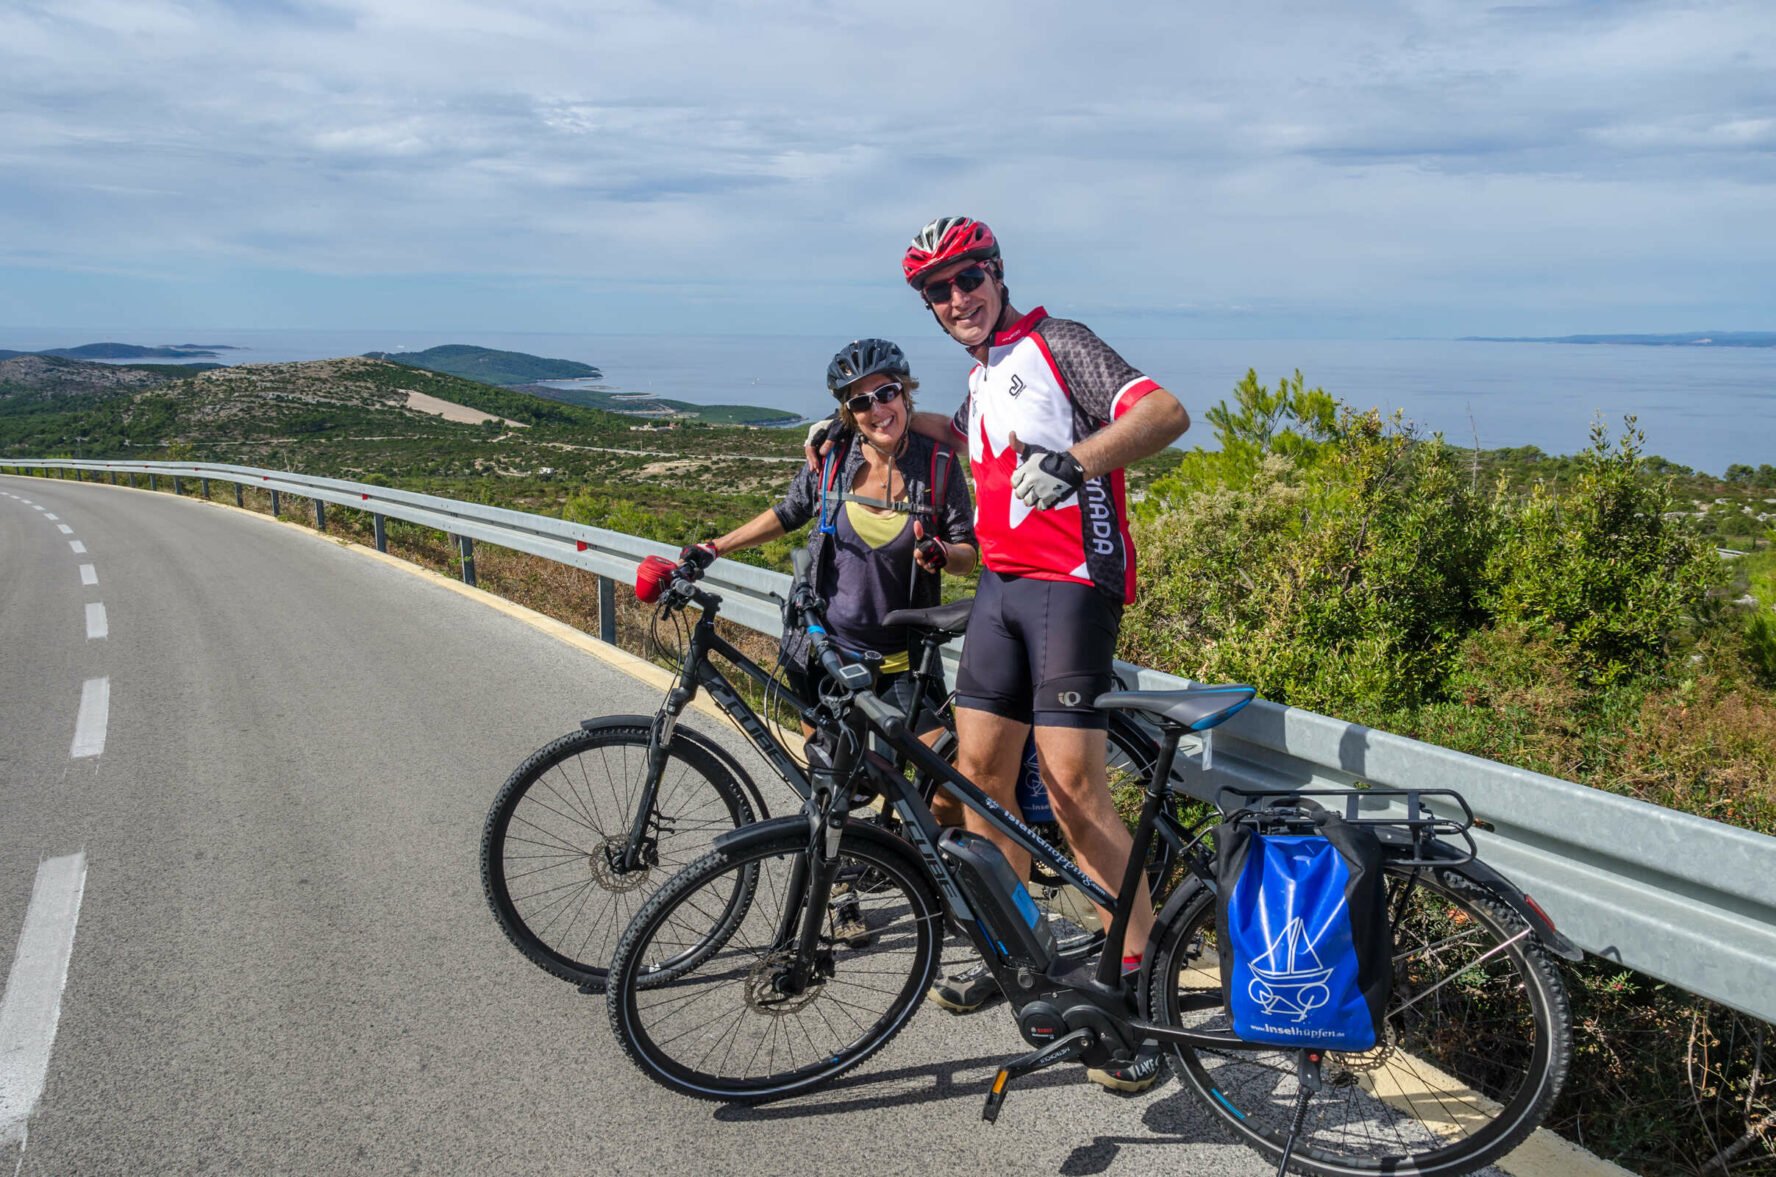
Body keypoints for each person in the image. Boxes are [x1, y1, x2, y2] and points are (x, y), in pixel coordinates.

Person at [896, 216, 1190, 1092]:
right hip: (999, 590)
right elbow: (967, 439)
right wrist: (866, 425)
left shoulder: (1058, 341)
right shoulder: (985, 373)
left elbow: (1164, 414)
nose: (956, 299)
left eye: (967, 279)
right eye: (938, 291)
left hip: (1070, 589)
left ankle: (1138, 986)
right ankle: (1017, 950)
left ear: (996, 273)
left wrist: (1075, 462)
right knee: (980, 779)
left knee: (1071, 794)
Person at [688, 337, 976, 732]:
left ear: (905, 393)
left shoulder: (938, 466)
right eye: (861, 402)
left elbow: (967, 552)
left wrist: (944, 553)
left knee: (939, 787)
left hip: (902, 662)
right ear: (848, 412)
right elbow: (789, 512)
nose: (877, 409)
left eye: (886, 392)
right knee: (836, 786)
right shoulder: (833, 459)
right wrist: (715, 546)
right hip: (824, 655)